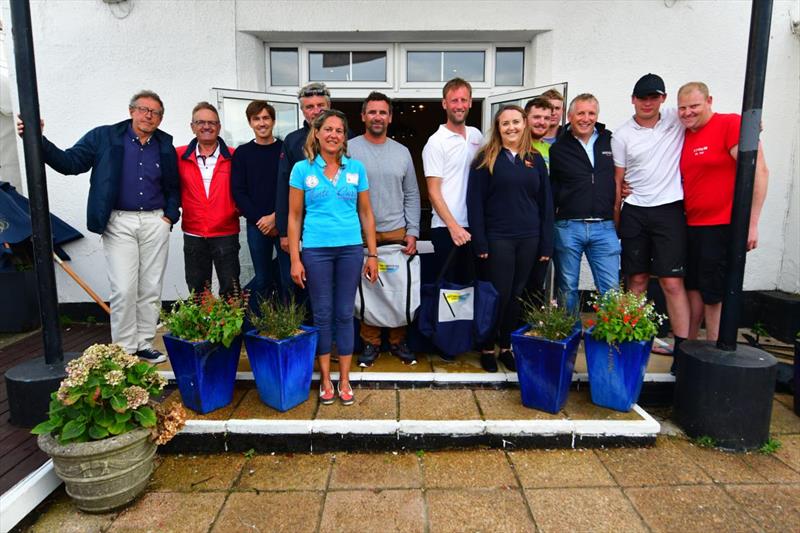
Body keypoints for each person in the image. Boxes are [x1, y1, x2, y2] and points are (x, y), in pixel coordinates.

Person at [17, 90, 179, 363]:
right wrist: (38, 140)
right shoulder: (105, 137)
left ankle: (145, 342)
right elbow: (70, 163)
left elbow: (173, 186)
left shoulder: (164, 145)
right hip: (119, 221)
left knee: (150, 287)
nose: (148, 115)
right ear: (131, 111)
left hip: (154, 221)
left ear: (161, 119)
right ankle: (125, 349)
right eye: (143, 109)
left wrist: (169, 216)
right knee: (125, 288)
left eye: (155, 112)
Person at [287, 109, 378, 406]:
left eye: (339, 130)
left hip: (350, 249)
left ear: (344, 137)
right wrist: (295, 259)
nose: (333, 135)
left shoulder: (356, 169)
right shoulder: (302, 169)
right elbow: (294, 215)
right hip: (316, 250)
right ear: (317, 133)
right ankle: (326, 379)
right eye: (328, 129)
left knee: (344, 314)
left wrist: (372, 253)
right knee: (323, 314)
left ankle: (345, 379)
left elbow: (365, 212)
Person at [677, 81, 769, 341]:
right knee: (693, 288)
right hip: (691, 225)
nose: (688, 112)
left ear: (709, 101)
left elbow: (759, 172)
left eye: (694, 106)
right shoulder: (685, 133)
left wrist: (752, 223)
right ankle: (688, 350)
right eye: (682, 108)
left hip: (721, 225)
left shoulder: (729, 124)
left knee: (713, 293)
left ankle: (714, 352)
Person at [467, 105, 554, 372]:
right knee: (499, 296)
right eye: (505, 123)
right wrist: (480, 241)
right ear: (498, 127)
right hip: (498, 238)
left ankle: (506, 346)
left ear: (524, 124)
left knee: (518, 295)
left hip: (529, 238)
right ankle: (485, 346)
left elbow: (546, 204)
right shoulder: (486, 159)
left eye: (516, 122)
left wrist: (546, 243)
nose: (511, 128)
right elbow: (475, 204)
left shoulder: (535, 159)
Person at [611, 74, 690, 356]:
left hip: (669, 209)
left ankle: (682, 349)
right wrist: (617, 219)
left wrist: (748, 127)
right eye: (642, 98)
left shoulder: (675, 118)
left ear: (663, 99)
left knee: (671, 282)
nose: (647, 103)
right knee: (637, 279)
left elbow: (704, 115)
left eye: (653, 97)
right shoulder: (622, 135)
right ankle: (633, 340)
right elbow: (618, 180)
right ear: (633, 99)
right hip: (635, 210)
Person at [348, 92, 421, 367]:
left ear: (389, 117)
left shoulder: (402, 153)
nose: (377, 117)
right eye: (372, 112)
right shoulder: (349, 149)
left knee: (396, 289)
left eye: (382, 112)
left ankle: (398, 342)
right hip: (359, 234)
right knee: (367, 291)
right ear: (363, 116)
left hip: (395, 232)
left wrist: (412, 230)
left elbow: (412, 194)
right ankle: (370, 343)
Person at [549, 93, 619, 314]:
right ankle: (570, 332)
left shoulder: (610, 141)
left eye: (591, 113)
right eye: (581, 113)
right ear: (570, 116)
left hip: (604, 226)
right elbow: (552, 187)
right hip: (569, 226)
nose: (586, 118)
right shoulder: (558, 147)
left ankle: (611, 337)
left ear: (597, 115)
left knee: (610, 288)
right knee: (567, 286)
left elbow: (622, 173)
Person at [422, 77, 483, 287]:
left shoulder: (476, 135)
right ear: (444, 104)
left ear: (470, 102)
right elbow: (433, 192)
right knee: (450, 292)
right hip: (447, 229)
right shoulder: (436, 142)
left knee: (473, 289)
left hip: (473, 226)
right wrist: (453, 227)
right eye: (454, 100)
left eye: (463, 100)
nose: (459, 105)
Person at [176, 102, 239, 298]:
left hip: (226, 232)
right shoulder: (178, 155)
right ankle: (202, 329)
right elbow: (167, 187)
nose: (206, 126)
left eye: (212, 122)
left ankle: (232, 329)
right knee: (198, 290)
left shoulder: (235, 156)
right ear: (192, 126)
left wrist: (235, 210)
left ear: (219, 127)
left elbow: (244, 189)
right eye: (201, 122)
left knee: (231, 288)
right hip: (193, 232)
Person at [230, 100, 289, 307]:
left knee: (288, 279)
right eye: (257, 119)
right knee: (262, 278)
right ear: (250, 122)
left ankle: (289, 325)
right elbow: (238, 191)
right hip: (257, 225)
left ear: (273, 121)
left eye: (266, 118)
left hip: (285, 224)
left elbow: (292, 189)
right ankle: (263, 325)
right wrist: (261, 220)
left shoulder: (285, 149)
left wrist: (276, 218)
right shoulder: (242, 153)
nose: (262, 123)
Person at [524, 96, 555, 169]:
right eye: (537, 117)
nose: (542, 122)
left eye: (547, 118)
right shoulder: (514, 146)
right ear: (524, 119)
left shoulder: (551, 149)